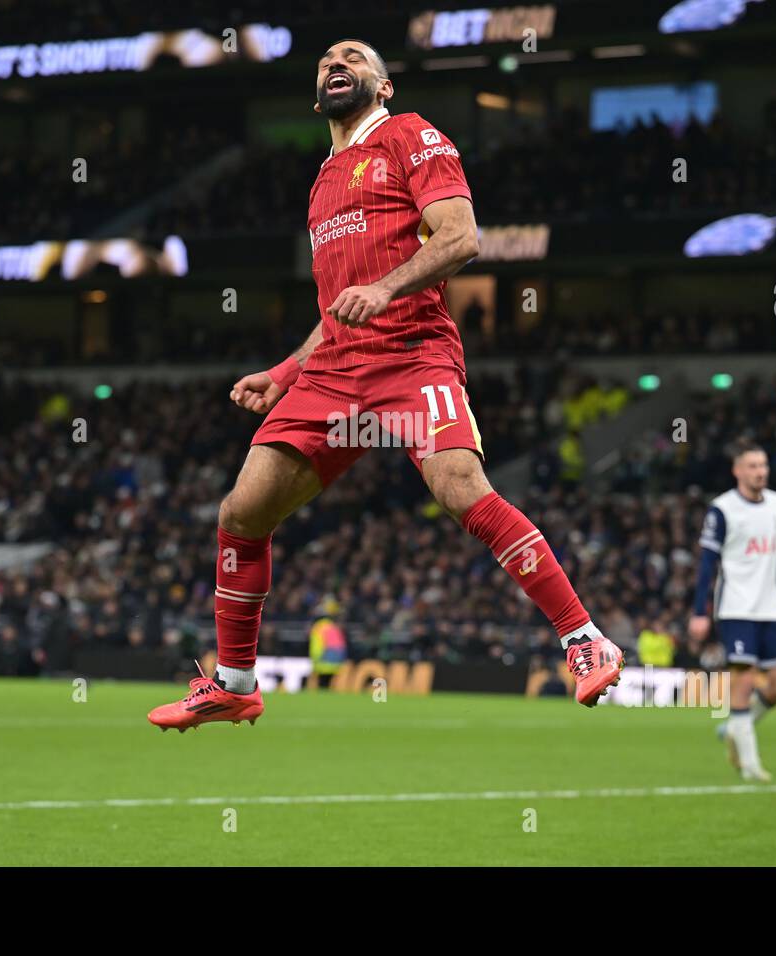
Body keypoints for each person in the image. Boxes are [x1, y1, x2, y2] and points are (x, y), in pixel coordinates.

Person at [148, 39, 623, 732]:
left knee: (460, 488)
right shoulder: (321, 181)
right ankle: (235, 682)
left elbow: (461, 237)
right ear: (317, 95)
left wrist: (387, 286)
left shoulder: (409, 134)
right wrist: (285, 373)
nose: (336, 61)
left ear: (385, 84)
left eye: (354, 56)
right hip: (334, 371)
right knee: (242, 511)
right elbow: (337, 306)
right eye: (326, 60)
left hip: (412, 354)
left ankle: (583, 637)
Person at [690, 439, 776, 781]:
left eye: (763, 466)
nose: (760, 472)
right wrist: (699, 611)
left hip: (772, 607)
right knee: (743, 682)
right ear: (737, 470)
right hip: (735, 608)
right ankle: (750, 765)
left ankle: (735, 727)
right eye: (752, 466)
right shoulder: (722, 509)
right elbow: (707, 565)